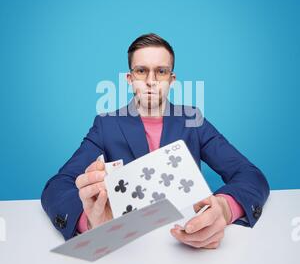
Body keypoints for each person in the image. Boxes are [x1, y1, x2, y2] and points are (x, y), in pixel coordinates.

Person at [41, 33, 270, 249]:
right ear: (130, 79)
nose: (151, 81)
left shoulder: (193, 121)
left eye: (160, 72)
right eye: (141, 71)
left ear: (172, 79)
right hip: (126, 247)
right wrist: (90, 222)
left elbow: (250, 175)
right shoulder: (106, 125)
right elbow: (56, 187)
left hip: (184, 240)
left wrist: (225, 208)